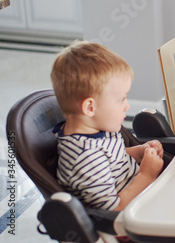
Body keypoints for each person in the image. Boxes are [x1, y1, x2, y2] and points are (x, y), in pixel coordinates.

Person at [51, 41, 165, 211]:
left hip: (144, 196)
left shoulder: (98, 129)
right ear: (90, 108)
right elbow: (114, 209)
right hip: (131, 217)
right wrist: (147, 174)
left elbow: (111, 159)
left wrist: (139, 153)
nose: (127, 106)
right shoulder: (85, 158)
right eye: (121, 99)